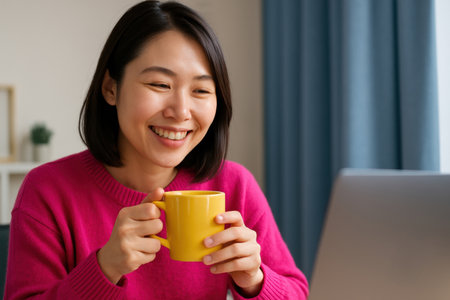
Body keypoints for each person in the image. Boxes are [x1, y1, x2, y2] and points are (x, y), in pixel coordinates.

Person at [4, 1, 309, 299]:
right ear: (111, 88)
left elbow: (296, 292)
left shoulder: (233, 185)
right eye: (160, 84)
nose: (180, 111)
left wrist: (255, 280)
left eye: (201, 90)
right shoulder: (48, 191)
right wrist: (104, 269)